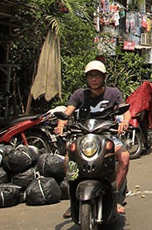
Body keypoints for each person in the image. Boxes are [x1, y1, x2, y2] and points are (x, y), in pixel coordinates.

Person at [55, 60, 130, 216]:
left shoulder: (113, 93)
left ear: (104, 77)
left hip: (106, 135)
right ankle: (74, 201)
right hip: (83, 135)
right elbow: (68, 111)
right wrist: (61, 124)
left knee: (124, 156)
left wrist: (125, 121)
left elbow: (125, 110)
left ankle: (115, 198)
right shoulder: (79, 94)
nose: (94, 79)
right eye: (90, 76)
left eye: (97, 76)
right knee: (69, 159)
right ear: (86, 78)